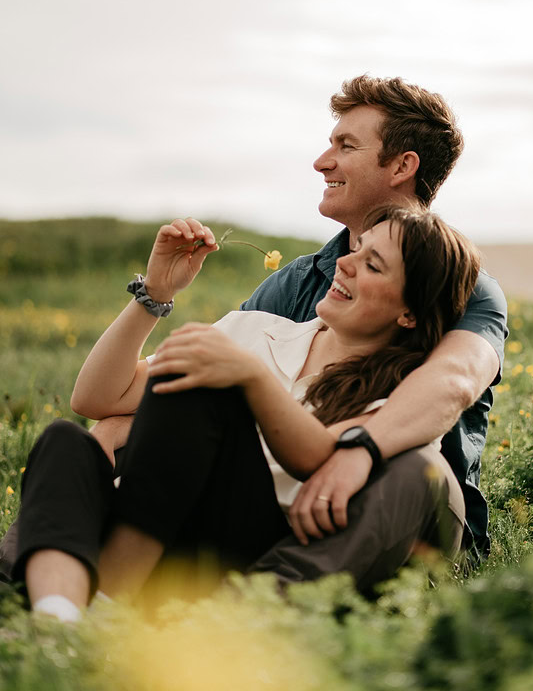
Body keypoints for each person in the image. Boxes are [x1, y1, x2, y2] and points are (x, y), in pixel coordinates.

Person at [0, 73, 507, 583]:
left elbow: (452, 382)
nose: (321, 161)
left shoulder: (464, 289)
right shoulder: (298, 285)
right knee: (89, 439)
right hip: (268, 494)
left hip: (386, 503)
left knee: (416, 471)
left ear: (402, 165)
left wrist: (358, 450)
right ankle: (54, 588)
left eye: (345, 145)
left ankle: (259, 613)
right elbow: (214, 385)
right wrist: (154, 311)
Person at [10, 205, 480, 619]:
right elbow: (96, 399)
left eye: (372, 265)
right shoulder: (255, 330)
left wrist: (249, 378)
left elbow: (321, 456)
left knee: (203, 389)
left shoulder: (404, 394)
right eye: (357, 249)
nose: (345, 264)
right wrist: (154, 293)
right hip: (150, 515)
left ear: (409, 314)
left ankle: (108, 606)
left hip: (243, 549)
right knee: (64, 442)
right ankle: (59, 625)